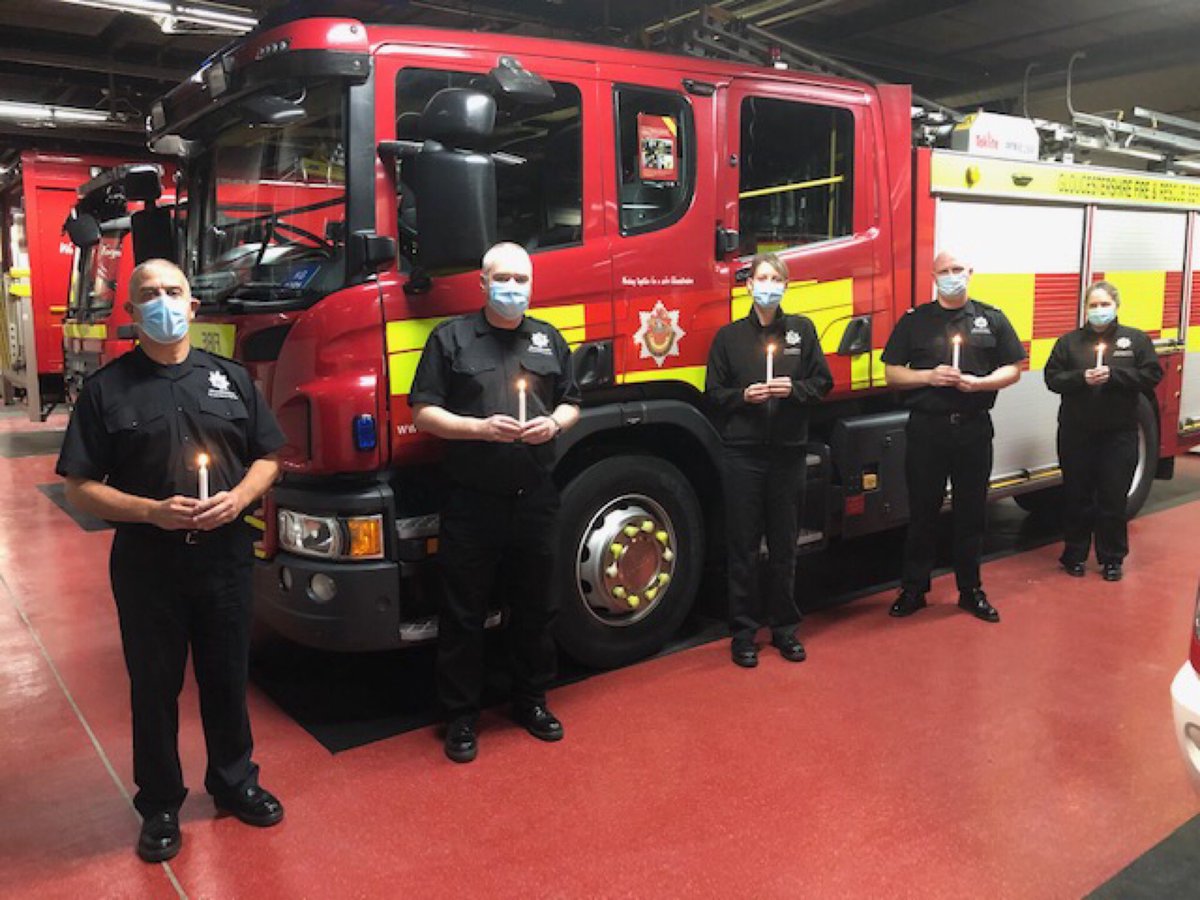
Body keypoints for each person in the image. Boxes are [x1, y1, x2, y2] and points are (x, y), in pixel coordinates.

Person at [55, 259, 286, 863]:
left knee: (227, 678)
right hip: (148, 564)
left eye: (174, 292)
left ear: (192, 305)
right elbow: (79, 487)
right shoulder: (106, 391)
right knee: (153, 687)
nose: (164, 302)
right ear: (131, 314)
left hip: (226, 560)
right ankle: (160, 804)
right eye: (149, 295)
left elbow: (269, 457)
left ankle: (234, 782)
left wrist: (240, 497)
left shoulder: (231, 381)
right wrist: (151, 511)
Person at [409, 242, 581, 763]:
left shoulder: (548, 339)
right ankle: (461, 717)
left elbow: (572, 401)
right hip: (472, 501)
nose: (513, 288)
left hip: (535, 498)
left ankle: (531, 701)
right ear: (482, 284)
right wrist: (479, 429)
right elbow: (423, 413)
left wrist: (554, 422)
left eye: (521, 279)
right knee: (463, 613)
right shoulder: (451, 339)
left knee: (537, 607)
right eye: (502, 278)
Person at [882, 249, 1026, 623]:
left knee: (971, 512)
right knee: (923, 512)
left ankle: (970, 589)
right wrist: (928, 376)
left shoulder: (990, 318)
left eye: (958, 269)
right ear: (933, 276)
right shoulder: (915, 321)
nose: (952, 275)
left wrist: (980, 384)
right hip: (927, 430)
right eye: (944, 271)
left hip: (974, 428)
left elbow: (1013, 368)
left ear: (971, 272)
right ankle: (914, 589)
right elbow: (892, 373)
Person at [705, 252, 833, 668]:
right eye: (762, 277)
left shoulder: (802, 331)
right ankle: (742, 633)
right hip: (742, 454)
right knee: (742, 546)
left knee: (784, 545)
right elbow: (714, 393)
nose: (768, 285)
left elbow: (822, 382)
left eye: (776, 278)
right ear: (748, 286)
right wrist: (744, 396)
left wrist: (792, 390)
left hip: (788, 454)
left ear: (785, 286)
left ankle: (784, 629)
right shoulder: (728, 337)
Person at [1044, 281, 1163, 581]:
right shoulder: (1068, 343)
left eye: (1104, 305)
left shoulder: (1134, 340)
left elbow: (1151, 374)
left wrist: (1115, 376)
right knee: (1077, 496)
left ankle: (1112, 558)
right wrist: (1081, 378)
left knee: (1112, 498)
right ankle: (1074, 554)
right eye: (1093, 306)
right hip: (1076, 432)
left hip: (1119, 434)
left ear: (1116, 306)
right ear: (1085, 309)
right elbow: (1053, 378)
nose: (1098, 311)